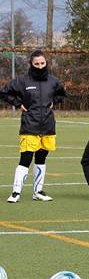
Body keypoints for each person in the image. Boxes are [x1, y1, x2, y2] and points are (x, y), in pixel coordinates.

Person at [1, 49, 67, 203]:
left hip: (48, 126)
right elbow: (4, 92)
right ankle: (16, 192)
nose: (39, 66)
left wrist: (54, 102)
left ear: (46, 63)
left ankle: (38, 191)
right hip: (30, 125)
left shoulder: (53, 81)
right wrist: (18, 103)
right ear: (31, 64)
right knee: (25, 158)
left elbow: (62, 94)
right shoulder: (22, 81)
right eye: (36, 64)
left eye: (42, 63)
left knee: (41, 158)